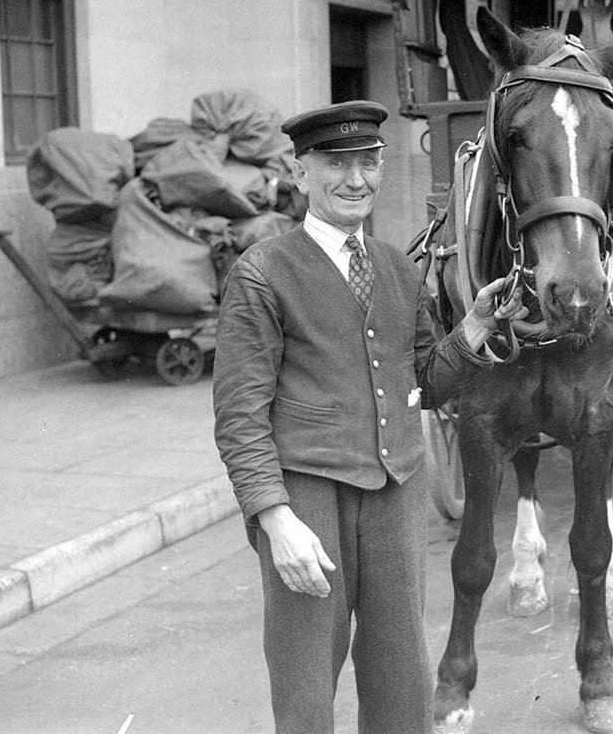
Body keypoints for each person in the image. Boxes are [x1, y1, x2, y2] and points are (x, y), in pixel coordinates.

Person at [213, 100, 524, 734]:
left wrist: (470, 332)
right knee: (304, 677)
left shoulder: (397, 269)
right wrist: (275, 520)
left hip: (396, 490)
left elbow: (424, 382)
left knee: (400, 674)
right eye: (336, 164)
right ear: (301, 174)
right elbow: (240, 416)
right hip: (308, 497)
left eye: (368, 163)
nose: (356, 180)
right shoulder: (262, 274)